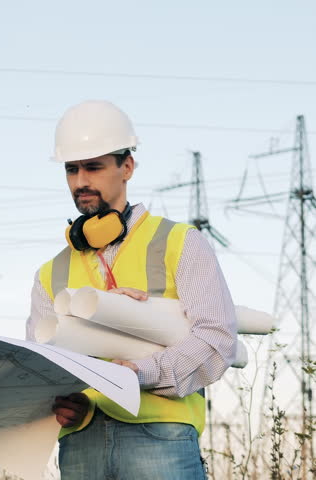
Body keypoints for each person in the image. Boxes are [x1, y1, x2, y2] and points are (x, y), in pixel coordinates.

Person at [28, 100, 237, 480]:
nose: (80, 182)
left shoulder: (178, 242)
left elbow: (217, 337)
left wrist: (140, 372)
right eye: (71, 169)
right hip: (80, 445)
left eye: (93, 167)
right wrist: (57, 404)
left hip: (162, 438)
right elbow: (39, 368)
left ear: (127, 166)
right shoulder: (50, 273)